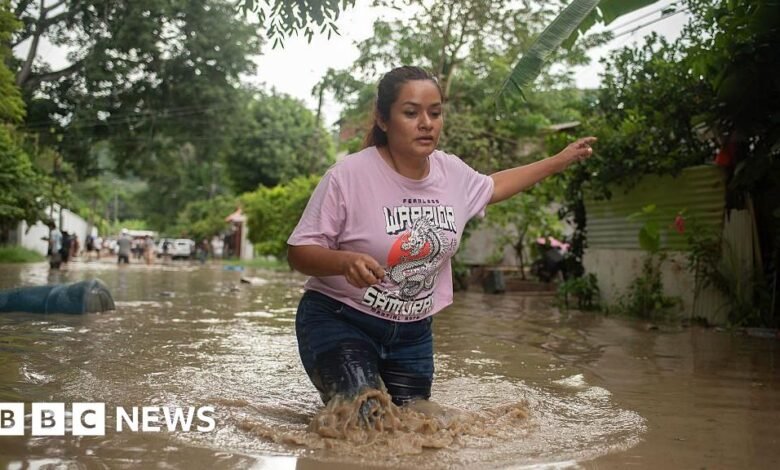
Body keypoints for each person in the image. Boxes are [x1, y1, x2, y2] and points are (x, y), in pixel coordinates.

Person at [287, 66, 595, 411]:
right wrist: (343, 262)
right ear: (383, 120)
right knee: (364, 414)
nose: (426, 123)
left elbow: (495, 186)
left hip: (412, 332)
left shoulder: (452, 173)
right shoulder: (348, 176)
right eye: (411, 113)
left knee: (419, 421)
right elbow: (299, 252)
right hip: (341, 319)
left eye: (435, 113)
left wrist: (558, 161)